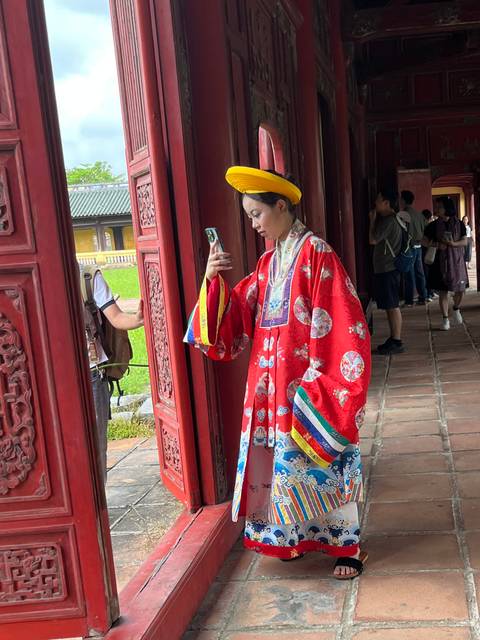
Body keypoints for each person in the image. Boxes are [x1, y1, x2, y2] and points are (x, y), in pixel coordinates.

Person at [184, 167, 370, 579]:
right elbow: (236, 314)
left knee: (322, 457)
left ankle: (347, 546)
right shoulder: (269, 264)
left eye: (256, 214)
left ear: (281, 206)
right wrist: (213, 280)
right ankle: (293, 539)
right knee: (281, 465)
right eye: (249, 216)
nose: (253, 224)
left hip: (306, 387)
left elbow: (343, 320)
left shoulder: (317, 254)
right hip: (268, 388)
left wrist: (321, 381)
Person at [82, 266, 144, 480]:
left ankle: (99, 506)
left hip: (91, 374)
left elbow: (116, 317)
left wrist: (138, 319)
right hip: (50, 379)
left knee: (96, 448)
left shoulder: (87, 278)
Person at [369, 187, 408, 355]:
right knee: (390, 305)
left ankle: (397, 340)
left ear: (386, 203)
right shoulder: (394, 219)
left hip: (388, 268)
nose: (375, 203)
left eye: (378, 200)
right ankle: (394, 339)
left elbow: (372, 239)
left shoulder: (389, 220)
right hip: (389, 267)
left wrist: (372, 220)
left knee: (392, 305)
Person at [423, 197, 468, 331]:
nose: (437, 209)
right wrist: (436, 244)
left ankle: (456, 308)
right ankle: (445, 318)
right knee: (443, 292)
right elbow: (423, 241)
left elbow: (465, 241)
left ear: (447, 208)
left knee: (460, 291)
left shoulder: (459, 224)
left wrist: (453, 244)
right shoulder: (433, 225)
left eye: (440, 207)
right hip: (439, 263)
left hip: (457, 262)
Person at [399, 190, 428, 306]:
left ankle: (409, 300)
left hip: (408, 247)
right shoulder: (419, 214)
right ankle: (423, 297)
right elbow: (426, 228)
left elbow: (401, 232)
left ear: (404, 200)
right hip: (419, 246)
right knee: (420, 273)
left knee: (409, 274)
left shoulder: (403, 215)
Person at [421, 209, 437, 301]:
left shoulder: (428, 226)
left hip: (427, 251)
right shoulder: (427, 227)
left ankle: (430, 293)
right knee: (427, 273)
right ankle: (428, 294)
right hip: (427, 251)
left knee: (427, 273)